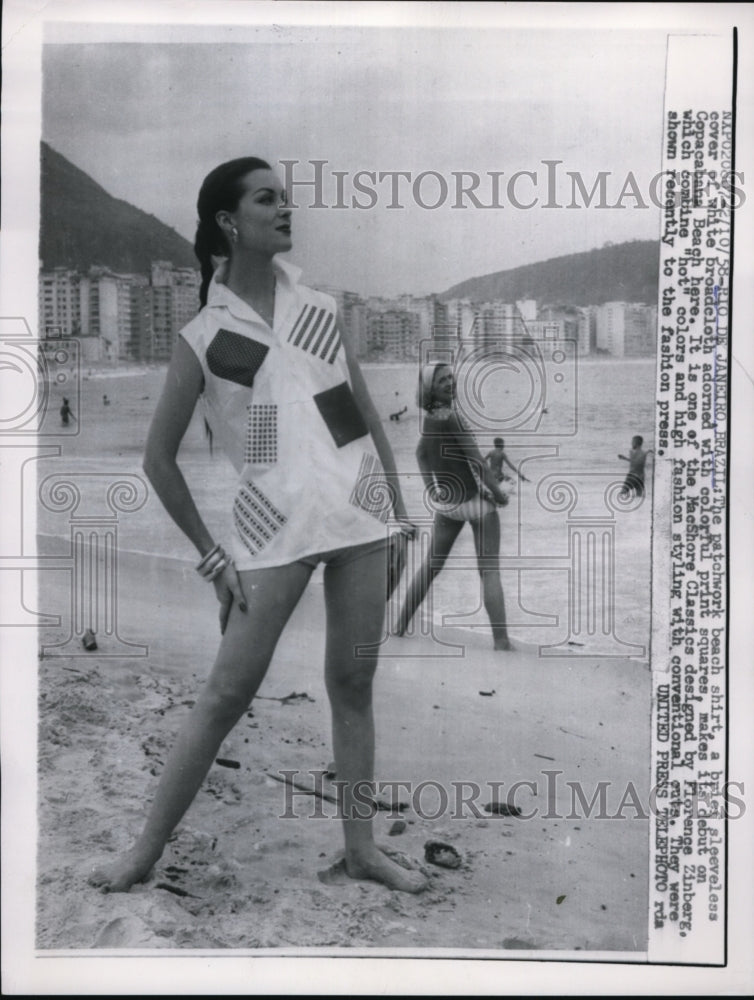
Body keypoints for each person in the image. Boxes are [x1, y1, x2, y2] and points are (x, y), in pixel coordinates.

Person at [89, 156, 425, 895]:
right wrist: (213, 559)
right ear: (228, 222)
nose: (285, 209)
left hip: (357, 516)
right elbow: (157, 461)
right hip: (272, 531)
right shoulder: (205, 337)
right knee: (224, 696)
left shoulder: (320, 311)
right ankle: (142, 852)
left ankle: (362, 849)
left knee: (354, 684)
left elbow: (360, 418)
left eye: (286, 197)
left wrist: (398, 517)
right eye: (267, 199)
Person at [394, 364, 514, 651]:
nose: (449, 382)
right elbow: (477, 461)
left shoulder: (431, 419)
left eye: (450, 377)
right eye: (441, 380)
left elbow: (421, 453)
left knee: (430, 567)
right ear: (430, 388)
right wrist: (500, 495)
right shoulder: (452, 417)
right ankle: (501, 642)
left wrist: (431, 488)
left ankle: (399, 626)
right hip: (476, 504)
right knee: (489, 572)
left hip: (448, 506)